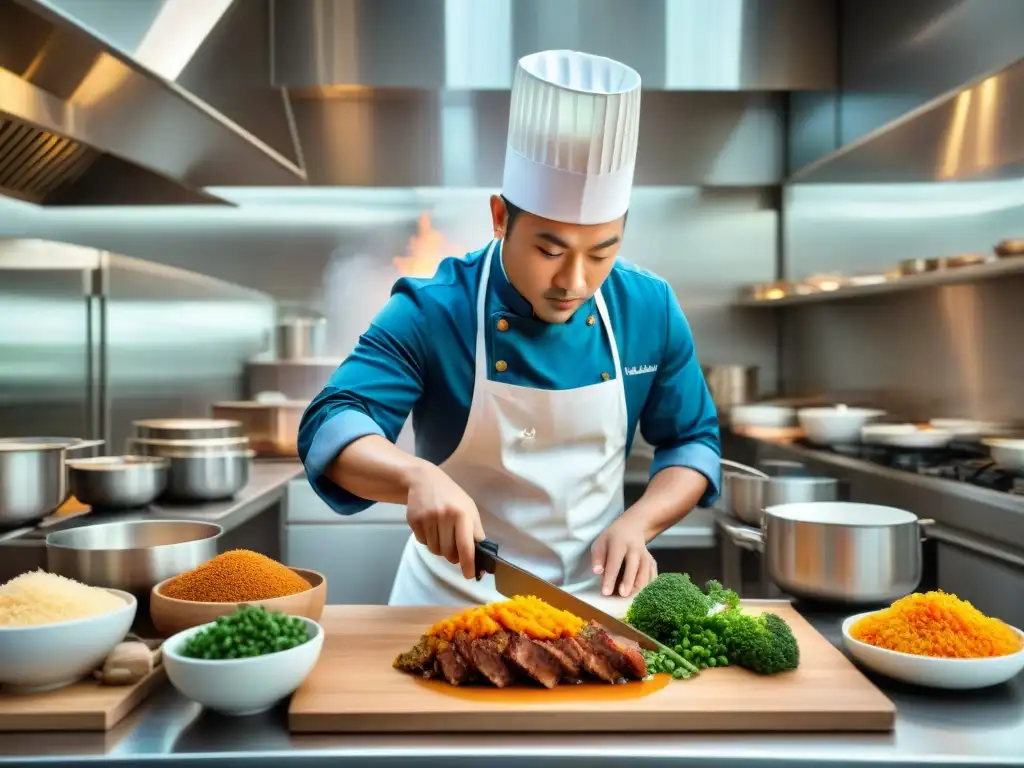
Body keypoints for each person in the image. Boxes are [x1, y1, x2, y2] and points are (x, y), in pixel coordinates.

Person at [298, 50, 721, 607]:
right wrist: (413, 478)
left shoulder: (649, 307)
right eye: (549, 249)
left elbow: (692, 441)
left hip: (595, 607)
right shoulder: (433, 310)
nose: (574, 280)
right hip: (445, 603)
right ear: (500, 218)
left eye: (602, 252)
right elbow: (332, 423)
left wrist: (640, 522)